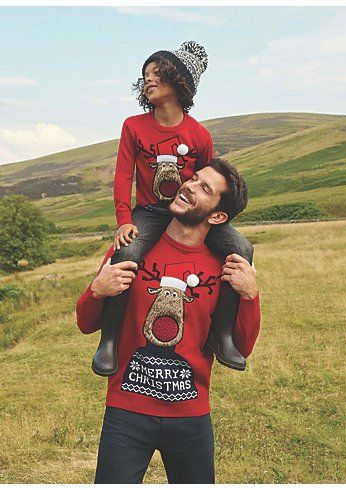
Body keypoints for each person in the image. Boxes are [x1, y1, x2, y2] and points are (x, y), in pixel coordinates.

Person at [76, 158, 261, 484]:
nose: (188, 185)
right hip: (126, 412)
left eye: (204, 188)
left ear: (218, 216)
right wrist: (97, 290)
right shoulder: (130, 246)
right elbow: (85, 323)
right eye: (194, 178)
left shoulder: (225, 266)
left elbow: (240, 348)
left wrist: (250, 296)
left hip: (191, 417)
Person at [92, 41, 253, 378]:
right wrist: (124, 220)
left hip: (188, 209)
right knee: (127, 252)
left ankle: (222, 336)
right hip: (150, 212)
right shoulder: (133, 126)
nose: (147, 80)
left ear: (178, 81)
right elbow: (123, 176)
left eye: (156, 74)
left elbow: (207, 187)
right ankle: (108, 341)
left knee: (242, 248)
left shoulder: (199, 135)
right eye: (145, 76)